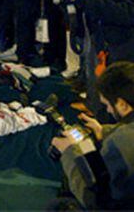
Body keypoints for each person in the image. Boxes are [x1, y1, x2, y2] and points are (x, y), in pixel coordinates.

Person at [57, 0, 134, 113]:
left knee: (120, 96)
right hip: (99, 42)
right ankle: (99, 119)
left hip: (123, 46)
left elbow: (129, 12)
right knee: (100, 87)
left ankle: (116, 133)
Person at [51, 61, 134, 210]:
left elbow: (98, 202)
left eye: (108, 105)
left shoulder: (120, 143)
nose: (108, 111)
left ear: (122, 104)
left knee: (58, 206)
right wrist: (104, 130)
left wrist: (69, 152)